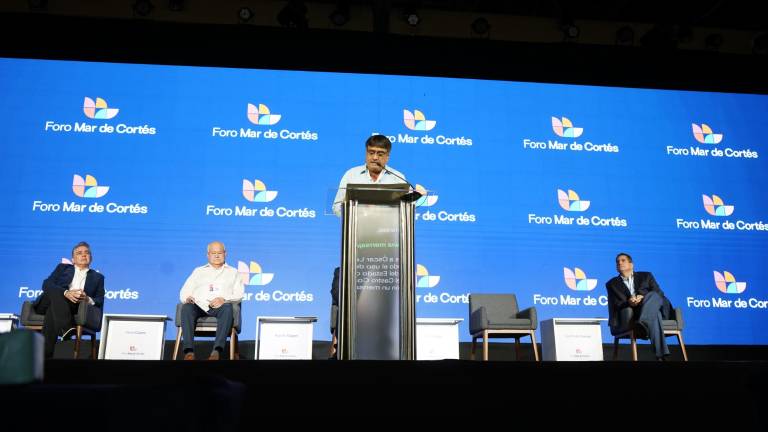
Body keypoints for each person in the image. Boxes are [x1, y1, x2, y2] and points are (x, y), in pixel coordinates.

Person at [33, 241, 105, 359]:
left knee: (53, 311)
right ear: (73, 259)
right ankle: (66, 327)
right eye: (79, 253)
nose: (83, 255)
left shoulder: (98, 277)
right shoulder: (63, 268)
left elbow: (99, 300)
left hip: (73, 306)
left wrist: (87, 299)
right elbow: (46, 284)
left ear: (91, 258)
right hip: (47, 302)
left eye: (87, 253)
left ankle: (45, 357)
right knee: (57, 293)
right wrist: (65, 293)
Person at [179, 241, 244, 360]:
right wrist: (187, 298)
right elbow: (184, 291)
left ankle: (216, 351)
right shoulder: (198, 271)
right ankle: (189, 352)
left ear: (225, 254)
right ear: (208, 255)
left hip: (220, 307)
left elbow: (239, 293)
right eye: (213, 253)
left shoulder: (233, 272)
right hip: (198, 305)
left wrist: (224, 299)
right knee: (186, 307)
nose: (217, 255)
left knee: (228, 308)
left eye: (219, 252)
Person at [606, 253, 673, 360]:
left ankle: (644, 320)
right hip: (634, 312)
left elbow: (659, 293)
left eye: (623, 260)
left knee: (653, 295)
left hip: (653, 303)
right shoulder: (612, 283)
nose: (619, 263)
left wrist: (643, 297)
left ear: (631, 264)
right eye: (617, 261)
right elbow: (615, 303)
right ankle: (661, 356)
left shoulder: (646, 276)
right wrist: (629, 302)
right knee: (655, 315)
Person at [332, 134, 409, 216]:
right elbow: (337, 207)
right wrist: (360, 213)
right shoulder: (351, 175)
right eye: (371, 153)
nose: (375, 157)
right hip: (358, 226)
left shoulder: (398, 178)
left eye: (380, 154)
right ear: (366, 153)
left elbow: (406, 208)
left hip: (387, 227)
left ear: (387, 157)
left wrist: (416, 196)